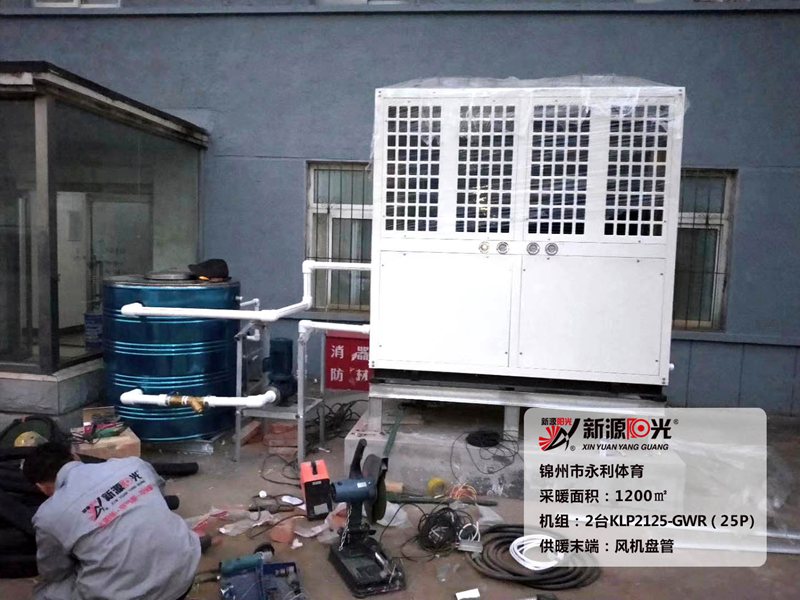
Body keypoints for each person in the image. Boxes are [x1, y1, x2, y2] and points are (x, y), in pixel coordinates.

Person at [23, 443, 202, 600]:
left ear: (42, 487)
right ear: (74, 456)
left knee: (46, 591)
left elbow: (54, 571)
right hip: (184, 576)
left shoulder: (49, 515)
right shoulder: (133, 464)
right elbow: (159, 496)